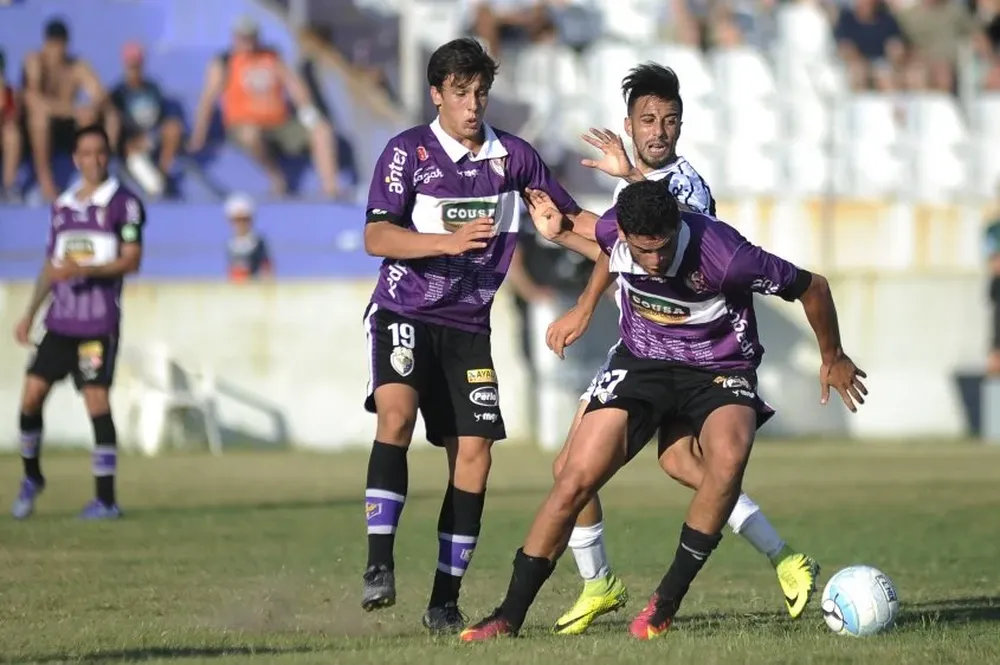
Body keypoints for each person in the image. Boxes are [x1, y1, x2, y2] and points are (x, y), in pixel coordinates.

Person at [461, 179, 867, 641]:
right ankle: (508, 616)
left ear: (678, 227)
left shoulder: (727, 255)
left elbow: (813, 286)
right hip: (645, 361)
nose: (652, 261)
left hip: (719, 368)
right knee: (574, 476)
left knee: (727, 461)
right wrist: (584, 306)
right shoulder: (618, 230)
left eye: (662, 249)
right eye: (641, 251)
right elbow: (606, 250)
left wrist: (832, 356)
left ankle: (664, 603)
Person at [549, 64, 819, 636]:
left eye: (669, 121)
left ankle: (603, 583)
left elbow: (649, 248)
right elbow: (615, 247)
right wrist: (562, 231)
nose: (658, 131)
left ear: (681, 125)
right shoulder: (634, 184)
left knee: (610, 469)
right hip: (645, 341)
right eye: (648, 120)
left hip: (684, 351)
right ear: (630, 123)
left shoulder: (684, 188)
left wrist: (583, 305)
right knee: (673, 464)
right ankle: (781, 558)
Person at [360, 37, 596, 633]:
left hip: (468, 326)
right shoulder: (406, 153)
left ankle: (443, 600)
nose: (472, 105)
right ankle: (378, 566)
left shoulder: (514, 158)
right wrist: (443, 242)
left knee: (476, 456)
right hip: (405, 311)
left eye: (480, 92)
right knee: (396, 414)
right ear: (436, 94)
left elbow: (562, 219)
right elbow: (377, 238)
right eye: (460, 92)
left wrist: (629, 239)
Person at [11, 125, 146, 521]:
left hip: (97, 324)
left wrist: (84, 267)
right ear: (76, 158)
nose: (94, 160)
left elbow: (132, 260)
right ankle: (32, 477)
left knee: (96, 399)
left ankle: (105, 500)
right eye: (86, 153)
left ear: (109, 156)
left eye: (101, 152)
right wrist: (30, 312)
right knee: (31, 397)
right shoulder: (63, 206)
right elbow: (52, 269)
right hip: (59, 323)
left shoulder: (125, 203)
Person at [187, 15, 340, 198]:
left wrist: (308, 113)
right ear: (235, 37)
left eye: (251, 36)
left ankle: (331, 188)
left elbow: (295, 87)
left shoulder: (272, 57)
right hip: (245, 125)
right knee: (250, 134)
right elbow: (207, 100)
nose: (248, 42)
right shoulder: (224, 62)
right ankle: (276, 177)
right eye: (243, 37)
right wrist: (199, 135)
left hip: (280, 123)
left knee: (322, 130)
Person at [21, 18, 118, 201]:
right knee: (39, 118)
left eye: (61, 44)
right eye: (53, 44)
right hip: (34, 129)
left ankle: (95, 177)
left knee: (99, 116)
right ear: (46, 43)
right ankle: (46, 182)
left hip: (66, 127)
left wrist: (91, 108)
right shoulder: (35, 61)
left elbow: (100, 94)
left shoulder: (76, 66)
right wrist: (73, 110)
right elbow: (33, 99)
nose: (57, 49)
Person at [109, 42, 185, 199]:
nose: (135, 71)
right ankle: (156, 185)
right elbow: (116, 125)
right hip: (130, 144)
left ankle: (164, 172)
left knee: (173, 127)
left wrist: (150, 136)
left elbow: (162, 119)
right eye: (131, 66)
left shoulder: (153, 89)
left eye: (137, 66)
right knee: (133, 152)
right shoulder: (117, 93)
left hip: (152, 137)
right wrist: (132, 141)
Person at [224, 192, 273, 281]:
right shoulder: (230, 244)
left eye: (245, 219)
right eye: (237, 220)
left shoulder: (257, 242)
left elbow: (267, 269)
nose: (241, 224)